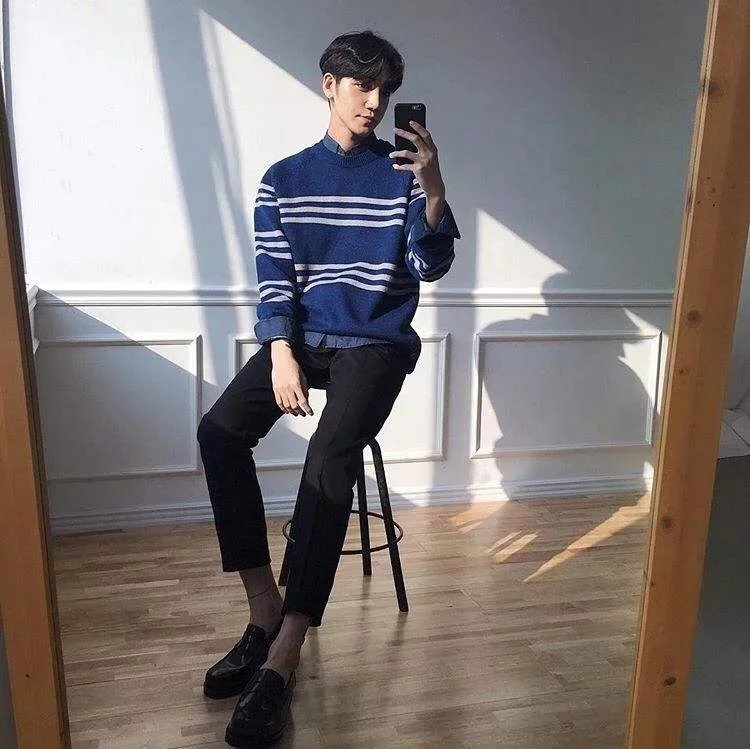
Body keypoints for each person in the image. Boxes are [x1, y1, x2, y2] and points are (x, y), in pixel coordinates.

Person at [196, 28, 461, 746]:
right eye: (361, 85)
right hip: (304, 338)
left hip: (375, 342)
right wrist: (280, 351)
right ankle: (262, 610)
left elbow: (430, 265)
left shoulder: (404, 173)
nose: (374, 101)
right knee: (219, 431)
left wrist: (435, 189)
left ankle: (285, 652)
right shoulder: (283, 179)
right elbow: (274, 276)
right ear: (329, 84)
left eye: (385, 90)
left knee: (329, 456)